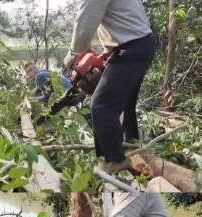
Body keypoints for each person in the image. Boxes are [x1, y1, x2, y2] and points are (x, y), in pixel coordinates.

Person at [63, 0, 155, 173]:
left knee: (101, 106)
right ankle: (131, 141)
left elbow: (85, 22)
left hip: (130, 48)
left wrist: (73, 52)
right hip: (143, 43)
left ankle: (115, 160)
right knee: (127, 100)